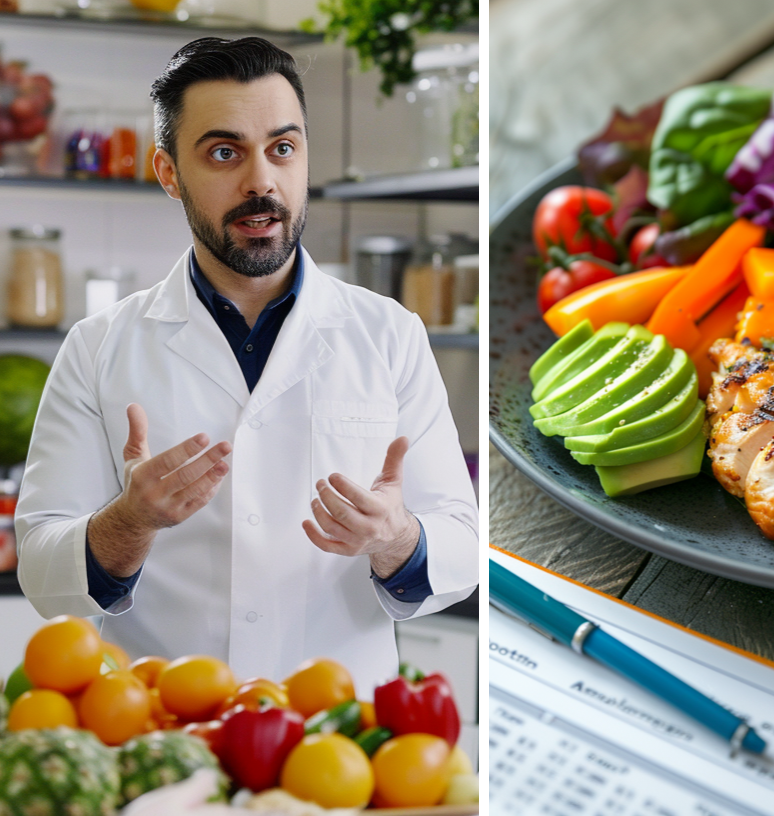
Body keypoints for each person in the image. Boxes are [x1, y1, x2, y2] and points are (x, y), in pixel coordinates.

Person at [14, 37, 478, 691]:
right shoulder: (98, 346)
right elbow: (40, 571)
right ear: (168, 172)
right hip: (163, 736)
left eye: (282, 149)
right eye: (225, 152)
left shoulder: (390, 335)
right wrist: (130, 521)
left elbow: (462, 546)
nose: (261, 181)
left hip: (339, 750)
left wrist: (395, 537)